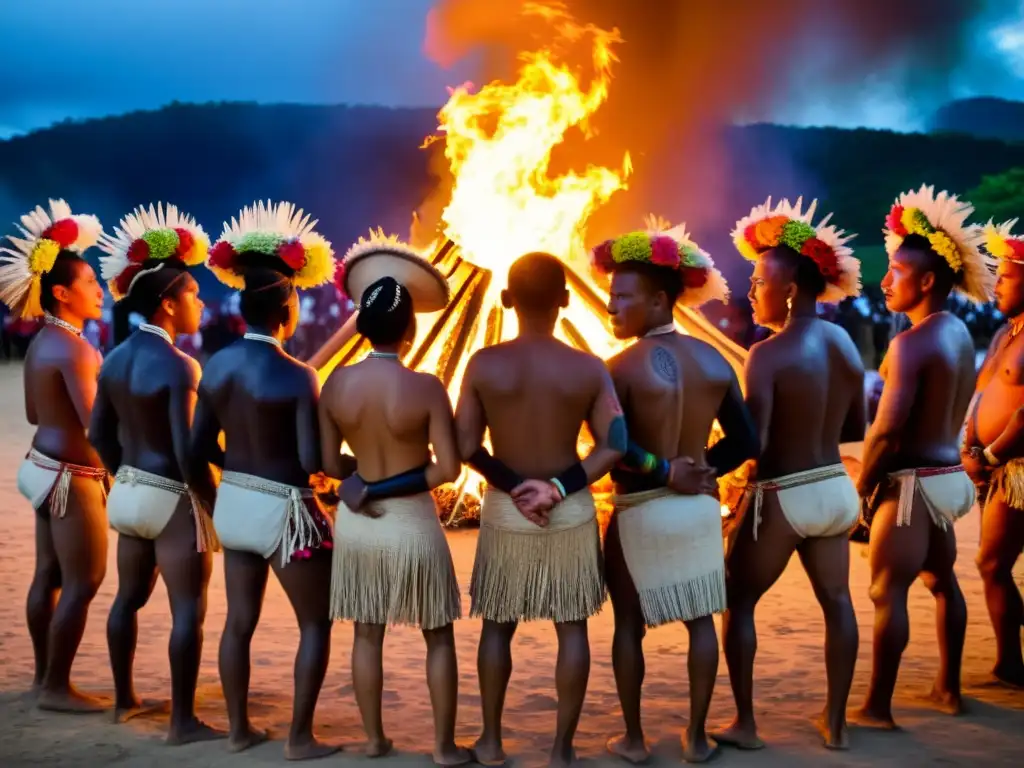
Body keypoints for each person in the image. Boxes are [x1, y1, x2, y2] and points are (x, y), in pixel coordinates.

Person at [592, 217, 759, 764]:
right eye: (611, 295)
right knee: (700, 622)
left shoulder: (617, 367)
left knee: (627, 625)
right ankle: (695, 736)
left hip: (639, 509)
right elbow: (747, 438)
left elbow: (613, 448)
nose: (611, 306)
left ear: (661, 301)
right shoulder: (715, 360)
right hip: (695, 511)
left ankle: (635, 739)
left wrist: (664, 470)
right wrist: (702, 468)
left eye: (623, 297)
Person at [453, 252, 626, 768]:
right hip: (568, 508)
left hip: (508, 510)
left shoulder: (484, 364)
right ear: (566, 302)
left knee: (497, 626)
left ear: (506, 300)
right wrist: (555, 486)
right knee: (571, 627)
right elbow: (613, 444)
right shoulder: (588, 367)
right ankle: (562, 750)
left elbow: (466, 446)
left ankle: (490, 742)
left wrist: (516, 486)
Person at [187, 201, 338, 759]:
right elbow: (307, 459)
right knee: (315, 623)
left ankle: (238, 731)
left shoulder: (216, 367)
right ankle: (299, 739)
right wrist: (331, 473)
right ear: (285, 308)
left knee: (238, 624)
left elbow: (199, 448)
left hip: (235, 507)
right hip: (285, 512)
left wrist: (233, 483)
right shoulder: (301, 375)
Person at [713, 199, 864, 751]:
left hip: (784, 492)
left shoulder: (767, 354)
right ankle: (838, 722)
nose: (750, 292)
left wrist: (724, 476)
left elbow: (760, 443)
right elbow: (857, 421)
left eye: (758, 281)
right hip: (833, 488)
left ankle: (746, 723)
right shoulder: (843, 341)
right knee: (838, 603)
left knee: (739, 601)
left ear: (792, 289)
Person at [321, 231, 469, 766]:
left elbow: (327, 462)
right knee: (438, 637)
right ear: (409, 329)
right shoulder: (427, 387)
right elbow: (448, 469)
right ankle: (444, 746)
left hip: (358, 520)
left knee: (367, 634)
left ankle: (375, 740)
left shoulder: (335, 385)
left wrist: (362, 476)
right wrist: (390, 478)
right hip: (411, 520)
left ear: (361, 326)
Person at [853, 185, 992, 728]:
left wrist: (863, 489)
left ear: (928, 280)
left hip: (911, 486)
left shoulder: (909, 344)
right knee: (941, 582)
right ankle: (948, 689)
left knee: (887, 590)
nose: (885, 281)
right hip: (948, 478)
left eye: (895, 271)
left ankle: (875, 709)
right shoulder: (957, 332)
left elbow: (886, 433)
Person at [89, 204, 222, 741]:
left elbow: (99, 434)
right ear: (168, 305)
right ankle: (183, 722)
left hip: (129, 493)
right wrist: (213, 502)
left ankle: (123, 698)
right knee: (187, 609)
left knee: (128, 598)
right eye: (192, 294)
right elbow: (190, 451)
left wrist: (126, 475)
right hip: (170, 498)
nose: (201, 303)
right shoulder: (180, 364)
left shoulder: (115, 358)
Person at [1, 200, 109, 712]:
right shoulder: (77, 349)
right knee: (84, 580)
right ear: (62, 293)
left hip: (40, 466)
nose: (100, 292)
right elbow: (97, 425)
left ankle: (45, 676)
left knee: (48, 575)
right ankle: (55, 687)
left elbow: (30, 412)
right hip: (71, 476)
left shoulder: (43, 342)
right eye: (90, 283)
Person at [961, 219, 1024, 688]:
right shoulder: (1006, 333)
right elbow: (981, 392)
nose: (996, 282)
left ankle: (1010, 663)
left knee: (992, 563)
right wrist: (969, 446)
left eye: (1006, 274)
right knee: (993, 563)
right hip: (992, 465)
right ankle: (1010, 661)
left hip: (1015, 466)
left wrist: (993, 458)